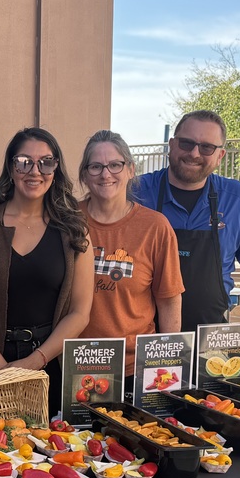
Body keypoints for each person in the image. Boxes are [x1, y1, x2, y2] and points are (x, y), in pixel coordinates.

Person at [0, 127, 95, 412]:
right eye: (24, 161)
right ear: (11, 167)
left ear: (55, 169)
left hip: (49, 364)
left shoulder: (73, 230)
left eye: (46, 162)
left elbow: (80, 313)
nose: (35, 171)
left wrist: (35, 361)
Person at [135, 110, 240, 343]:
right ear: (172, 144)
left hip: (211, 338)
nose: (194, 153)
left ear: (220, 155)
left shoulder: (238, 199)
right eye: (186, 143)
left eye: (206, 148)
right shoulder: (138, 192)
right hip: (145, 338)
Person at [77, 130, 184, 377]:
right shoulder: (67, 220)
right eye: (96, 166)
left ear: (130, 170)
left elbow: (168, 299)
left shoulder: (155, 227)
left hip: (134, 367)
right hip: (76, 363)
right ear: (85, 174)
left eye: (115, 165)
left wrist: (167, 365)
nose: (106, 174)